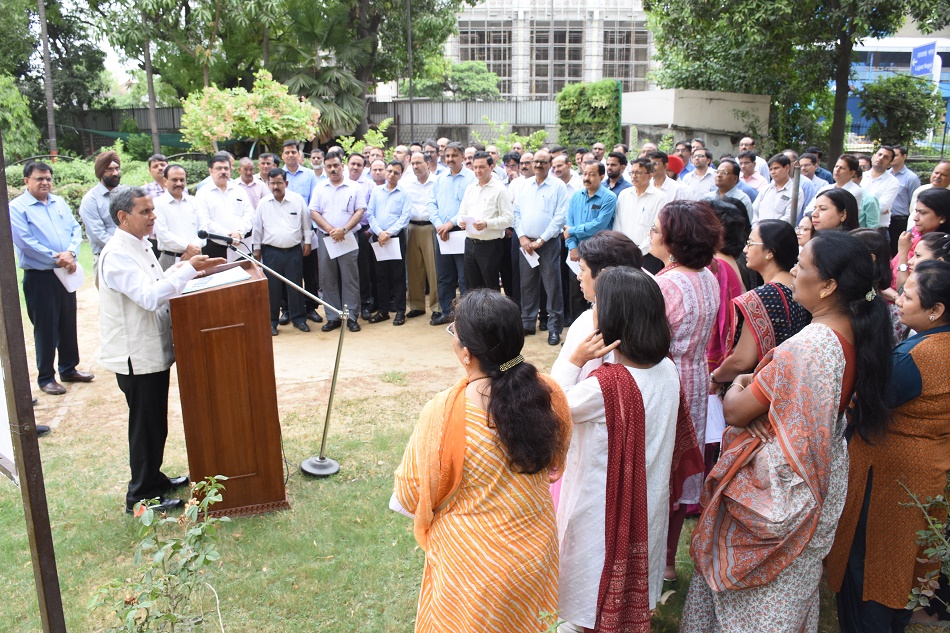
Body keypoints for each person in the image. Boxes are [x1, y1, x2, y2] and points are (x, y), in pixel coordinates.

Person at [683, 231, 893, 632]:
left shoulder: (807, 348)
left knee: (753, 607)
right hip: (819, 482)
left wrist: (742, 383)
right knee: (791, 591)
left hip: (781, 489)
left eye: (804, 265)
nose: (794, 271)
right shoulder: (853, 331)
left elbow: (736, 412)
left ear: (829, 285)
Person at [392, 289, 572, 633]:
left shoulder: (444, 411)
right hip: (536, 555)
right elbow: (555, 462)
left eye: (453, 334)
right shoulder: (548, 392)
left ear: (466, 354)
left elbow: (412, 493)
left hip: (473, 565)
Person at [553, 267, 704, 632]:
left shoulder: (605, 387)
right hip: (648, 502)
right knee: (633, 571)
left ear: (612, 319)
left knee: (589, 585)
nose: (593, 310)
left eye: (597, 305)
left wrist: (572, 361)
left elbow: (553, 406)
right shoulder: (667, 368)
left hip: (602, 509)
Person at [827, 260, 950, 631]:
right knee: (902, 565)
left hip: (887, 481)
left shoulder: (918, 356)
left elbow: (865, 404)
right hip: (927, 471)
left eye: (909, 296)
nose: (898, 301)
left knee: (871, 571)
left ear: (936, 310)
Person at [98, 186, 225, 514]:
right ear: (123, 217)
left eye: (153, 210)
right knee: (146, 427)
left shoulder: (138, 244)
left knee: (156, 423)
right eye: (146, 212)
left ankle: (154, 479)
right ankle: (139, 497)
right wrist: (185, 270)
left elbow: (156, 281)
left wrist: (187, 268)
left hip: (151, 351)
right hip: (135, 356)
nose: (153, 217)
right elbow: (149, 296)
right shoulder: (116, 254)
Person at [648, 200, 722, 580]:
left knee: (661, 468)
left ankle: (654, 559)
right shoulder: (708, 276)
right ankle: (667, 560)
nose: (651, 235)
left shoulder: (664, 284)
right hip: (695, 378)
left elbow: (650, 342)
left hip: (668, 379)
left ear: (675, 241)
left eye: (657, 230)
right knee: (682, 469)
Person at [10, 161, 93, 396]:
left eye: (48, 178)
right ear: (26, 181)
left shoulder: (59, 203)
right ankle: (46, 377)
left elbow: (75, 229)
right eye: (39, 179)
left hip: (64, 273)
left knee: (67, 322)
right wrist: (58, 258)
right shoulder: (17, 208)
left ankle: (68, 368)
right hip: (40, 277)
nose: (45, 182)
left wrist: (72, 253)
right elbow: (25, 242)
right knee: (45, 327)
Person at [710, 219, 810, 388]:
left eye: (750, 243)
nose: (745, 249)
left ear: (769, 252)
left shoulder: (763, 296)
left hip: (757, 390)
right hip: (788, 385)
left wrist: (714, 377)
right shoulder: (799, 289)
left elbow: (741, 361)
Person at [513, 149, 568, 344]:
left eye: (543, 162)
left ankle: (554, 327)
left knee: (552, 286)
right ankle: (527, 323)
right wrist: (522, 237)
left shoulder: (558, 186)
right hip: (526, 244)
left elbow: (560, 217)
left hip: (548, 243)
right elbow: (516, 213)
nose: (538, 165)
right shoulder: (524, 186)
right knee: (527, 285)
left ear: (550, 164)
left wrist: (541, 240)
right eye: (536, 162)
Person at [309, 150, 365, 332]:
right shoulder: (320, 187)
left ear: (343, 166)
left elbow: (360, 210)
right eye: (329, 166)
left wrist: (344, 229)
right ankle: (333, 317)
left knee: (350, 278)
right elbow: (314, 211)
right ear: (325, 168)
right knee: (327, 278)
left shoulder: (354, 187)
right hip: (326, 239)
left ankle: (351, 317)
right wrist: (331, 230)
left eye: (336, 165)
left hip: (347, 237)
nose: (333, 169)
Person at [252, 169, 312, 335]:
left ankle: (299, 319)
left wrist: (307, 243)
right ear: (268, 184)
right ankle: (272, 322)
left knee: (296, 286)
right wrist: (256, 249)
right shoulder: (263, 203)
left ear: (286, 183)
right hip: (271, 252)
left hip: (293, 251)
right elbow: (257, 227)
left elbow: (306, 223)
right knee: (272, 289)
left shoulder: (297, 200)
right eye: (272, 183)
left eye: (279, 183)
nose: (275, 186)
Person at [564, 161, 618, 321]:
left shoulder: (609, 198)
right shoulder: (576, 196)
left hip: (600, 254)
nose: (587, 178)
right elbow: (569, 223)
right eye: (585, 174)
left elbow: (599, 225)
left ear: (602, 176)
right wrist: (572, 247)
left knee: (599, 294)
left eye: (592, 174)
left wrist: (572, 231)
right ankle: (576, 333)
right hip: (576, 254)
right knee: (576, 294)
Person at [427, 142, 473, 325]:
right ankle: (447, 312)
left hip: (461, 231)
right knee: (444, 275)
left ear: (462, 157)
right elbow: (431, 204)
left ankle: (463, 316)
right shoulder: (439, 178)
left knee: (464, 276)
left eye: (454, 155)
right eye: (447, 156)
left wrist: (450, 223)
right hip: (442, 233)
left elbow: (468, 206)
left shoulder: (470, 178)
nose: (450, 159)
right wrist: (440, 225)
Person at [455, 151, 513, 292]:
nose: (478, 171)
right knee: (472, 288)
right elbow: (461, 213)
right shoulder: (470, 188)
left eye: (482, 167)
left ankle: (492, 315)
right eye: (475, 167)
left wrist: (487, 223)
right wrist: (460, 222)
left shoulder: (499, 189)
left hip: (490, 246)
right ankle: (475, 315)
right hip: (470, 244)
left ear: (491, 167)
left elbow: (509, 219)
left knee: (490, 287)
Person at [366, 161, 411, 325]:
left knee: (398, 276)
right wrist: (379, 232)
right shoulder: (377, 191)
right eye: (390, 171)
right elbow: (370, 214)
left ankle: (400, 311)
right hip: (379, 238)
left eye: (396, 173)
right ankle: (383, 311)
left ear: (401, 175)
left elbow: (405, 217)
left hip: (396, 238)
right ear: (386, 172)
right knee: (381, 276)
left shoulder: (404, 193)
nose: (392, 175)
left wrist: (389, 233)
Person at [195, 152, 255, 260]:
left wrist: (239, 233)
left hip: (241, 246)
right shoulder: (202, 193)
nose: (223, 172)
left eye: (226, 168)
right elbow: (204, 221)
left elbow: (249, 213)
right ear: (211, 171)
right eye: (219, 168)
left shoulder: (239, 190)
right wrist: (227, 236)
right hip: (215, 248)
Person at [402, 152, 439, 319]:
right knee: (414, 268)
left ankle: (437, 307)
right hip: (411, 227)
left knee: (434, 269)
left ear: (428, 164)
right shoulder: (407, 183)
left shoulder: (437, 182)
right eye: (413, 164)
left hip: (431, 228)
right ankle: (416, 305)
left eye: (419, 163)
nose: (416, 166)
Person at [894, 188, 950, 290]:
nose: (915, 218)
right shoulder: (913, 235)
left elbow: (903, 289)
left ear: (942, 218)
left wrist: (903, 253)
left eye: (923, 213)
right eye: (916, 211)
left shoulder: (944, 248)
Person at [153, 164, 204, 271]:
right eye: (174, 180)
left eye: (182, 180)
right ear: (165, 181)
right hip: (170, 259)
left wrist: (192, 249)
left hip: (196, 256)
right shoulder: (157, 204)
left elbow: (203, 230)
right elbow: (163, 234)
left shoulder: (194, 202)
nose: (179, 183)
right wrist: (188, 247)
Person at [79, 150, 122, 277]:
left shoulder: (128, 193)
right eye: (109, 169)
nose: (115, 173)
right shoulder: (91, 199)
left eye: (117, 168)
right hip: (107, 258)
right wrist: (125, 247)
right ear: (100, 173)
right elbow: (98, 234)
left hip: (133, 256)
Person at [613, 157, 667, 255]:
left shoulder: (659, 197)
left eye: (638, 173)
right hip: (624, 250)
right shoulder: (624, 194)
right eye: (632, 172)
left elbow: (657, 227)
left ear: (650, 175)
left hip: (649, 251)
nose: (634, 176)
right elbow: (617, 222)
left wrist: (640, 250)